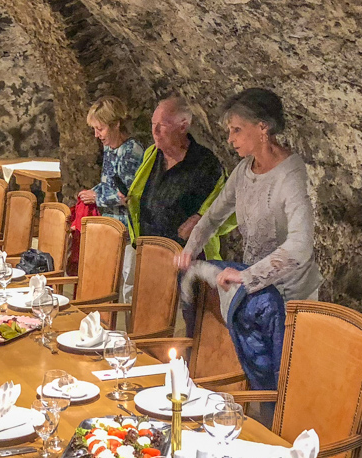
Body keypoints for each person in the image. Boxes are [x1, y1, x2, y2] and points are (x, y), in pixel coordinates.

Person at [177, 88, 322, 301]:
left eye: (237, 130)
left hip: (291, 296)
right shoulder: (244, 170)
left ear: (262, 127)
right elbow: (213, 216)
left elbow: (300, 245)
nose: (229, 139)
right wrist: (190, 250)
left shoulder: (291, 175)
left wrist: (247, 276)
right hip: (257, 293)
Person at [126, 97, 226, 253]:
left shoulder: (206, 163)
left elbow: (223, 205)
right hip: (148, 250)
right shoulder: (152, 154)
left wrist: (200, 218)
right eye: (153, 124)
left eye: (162, 125)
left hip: (186, 256)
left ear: (183, 126)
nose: (155, 131)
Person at [77, 96, 144, 300]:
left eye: (100, 129)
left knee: (128, 282)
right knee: (106, 277)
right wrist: (92, 192)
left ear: (116, 124)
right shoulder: (109, 148)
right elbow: (108, 183)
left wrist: (96, 197)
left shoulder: (131, 151)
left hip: (127, 228)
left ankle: (131, 319)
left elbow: (127, 196)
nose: (96, 135)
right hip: (109, 224)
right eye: (95, 129)